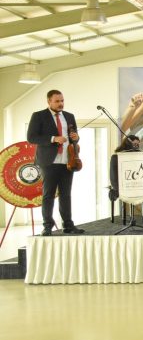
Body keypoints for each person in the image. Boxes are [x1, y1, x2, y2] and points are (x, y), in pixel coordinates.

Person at [27, 90, 84, 236]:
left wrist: (76, 137)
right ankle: (47, 226)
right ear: (49, 102)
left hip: (68, 160)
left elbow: (74, 140)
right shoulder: (39, 116)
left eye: (62, 101)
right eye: (57, 101)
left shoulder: (69, 116)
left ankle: (68, 225)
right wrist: (53, 138)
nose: (61, 104)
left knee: (66, 194)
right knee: (48, 195)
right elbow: (31, 137)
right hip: (49, 161)